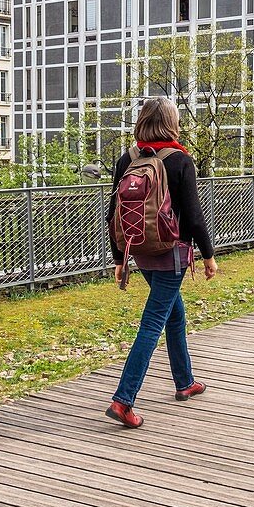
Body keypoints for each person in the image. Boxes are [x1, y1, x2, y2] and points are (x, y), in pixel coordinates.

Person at [105, 97, 218, 428]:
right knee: (153, 322)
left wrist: (118, 258)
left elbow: (112, 212)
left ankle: (185, 382)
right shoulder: (180, 160)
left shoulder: (128, 158)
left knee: (174, 315)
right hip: (171, 254)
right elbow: (194, 217)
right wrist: (209, 256)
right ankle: (123, 400)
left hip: (139, 251)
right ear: (172, 122)